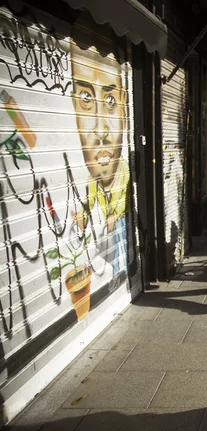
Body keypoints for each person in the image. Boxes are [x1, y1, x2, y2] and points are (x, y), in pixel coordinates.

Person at [70, 24, 130, 278]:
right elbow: (88, 202)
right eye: (85, 97)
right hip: (105, 233)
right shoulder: (92, 180)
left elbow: (121, 199)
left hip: (117, 225)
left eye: (109, 101)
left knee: (118, 237)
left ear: (125, 107)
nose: (100, 130)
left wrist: (114, 217)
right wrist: (80, 217)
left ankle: (119, 273)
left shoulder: (125, 169)